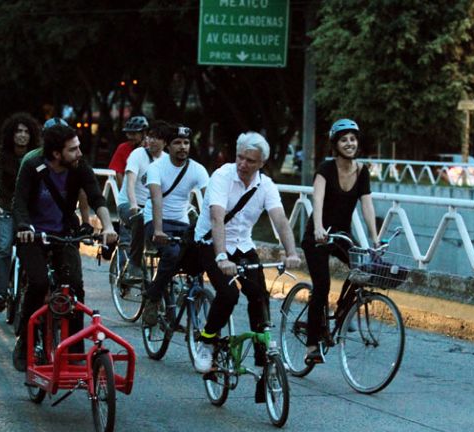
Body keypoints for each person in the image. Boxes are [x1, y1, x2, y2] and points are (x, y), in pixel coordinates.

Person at [11, 125, 118, 371]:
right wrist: (24, 227)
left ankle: (74, 349)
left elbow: (96, 197)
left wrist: (108, 226)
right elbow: (19, 203)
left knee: (75, 288)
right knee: (38, 284)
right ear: (57, 154)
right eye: (73, 149)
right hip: (32, 235)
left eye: (78, 147)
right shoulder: (32, 165)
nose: (79, 153)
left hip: (64, 233)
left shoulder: (79, 167)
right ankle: (24, 341)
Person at [193, 131, 301, 374]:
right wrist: (221, 256)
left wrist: (291, 252)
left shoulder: (266, 185)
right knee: (229, 294)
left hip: (242, 244)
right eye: (240, 157)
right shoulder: (222, 176)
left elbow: (280, 220)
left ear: (262, 163)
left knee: (259, 294)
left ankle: (263, 357)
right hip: (211, 242)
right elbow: (217, 217)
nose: (243, 164)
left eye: (250, 160)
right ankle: (207, 341)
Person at [301, 118, 379, 362]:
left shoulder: (362, 171)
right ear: (335, 144)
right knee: (322, 286)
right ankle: (312, 345)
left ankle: (342, 312)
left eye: (353, 139)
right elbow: (318, 200)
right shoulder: (326, 168)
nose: (349, 143)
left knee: (363, 268)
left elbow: (367, 205)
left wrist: (374, 239)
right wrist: (318, 228)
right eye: (344, 140)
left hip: (342, 235)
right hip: (319, 235)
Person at [141, 125, 210, 327]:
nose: (182, 147)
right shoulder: (157, 168)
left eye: (186, 143)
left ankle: (192, 298)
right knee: (171, 253)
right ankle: (153, 299)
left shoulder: (198, 169)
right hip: (155, 221)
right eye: (177, 143)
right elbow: (156, 199)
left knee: (201, 255)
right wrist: (159, 230)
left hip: (182, 222)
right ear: (168, 146)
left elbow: (209, 201)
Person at [0, 112, 41, 312]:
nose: (22, 135)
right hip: (6, 208)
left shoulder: (37, 154)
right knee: (3, 247)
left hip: (30, 211)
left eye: (26, 131)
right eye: (18, 131)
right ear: (11, 133)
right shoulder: (2, 153)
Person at [115, 119, 172, 281]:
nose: (152, 141)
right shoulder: (138, 154)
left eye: (157, 138)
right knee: (139, 218)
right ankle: (134, 264)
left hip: (151, 208)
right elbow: (130, 182)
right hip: (128, 204)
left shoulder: (167, 161)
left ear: (165, 142)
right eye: (151, 137)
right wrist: (133, 204)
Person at [23, 117, 93, 230]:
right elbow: (21, 195)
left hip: (64, 219)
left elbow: (86, 191)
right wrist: (24, 225)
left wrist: (86, 223)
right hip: (36, 221)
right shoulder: (31, 160)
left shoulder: (74, 161)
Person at [108, 115, 149, 189]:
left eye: (133, 134)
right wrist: (124, 194)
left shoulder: (152, 148)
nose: (130, 137)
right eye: (128, 133)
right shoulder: (123, 148)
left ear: (144, 133)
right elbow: (118, 172)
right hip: (130, 189)